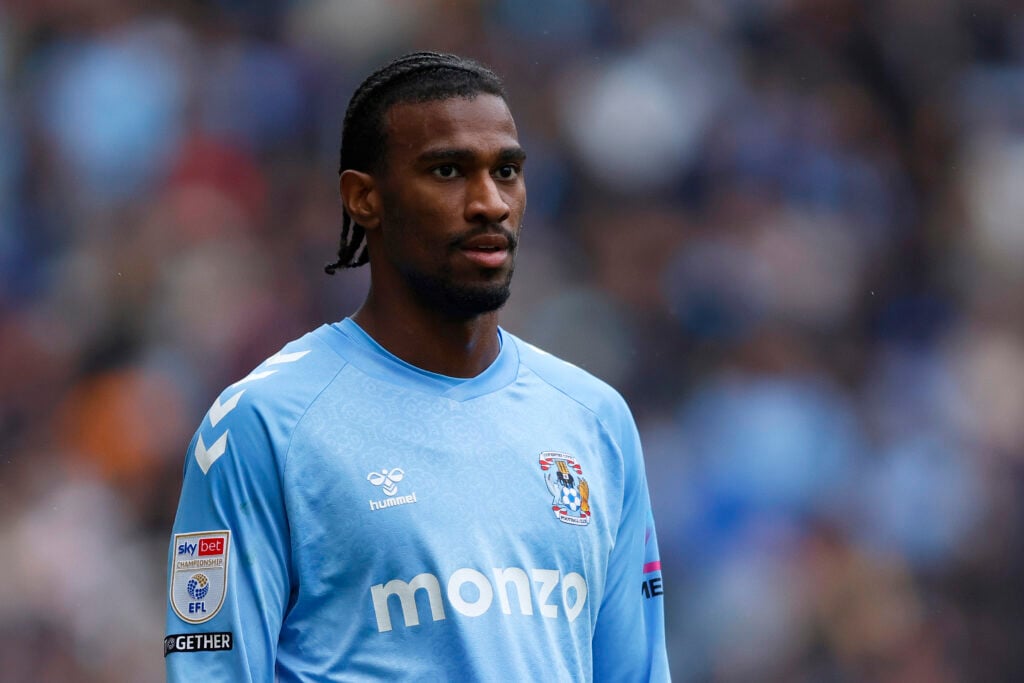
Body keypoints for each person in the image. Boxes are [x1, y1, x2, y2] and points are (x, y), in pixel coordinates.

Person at [165, 51, 670, 682]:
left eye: (507, 171)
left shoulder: (595, 419)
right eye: (449, 170)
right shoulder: (263, 425)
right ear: (364, 198)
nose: (489, 203)